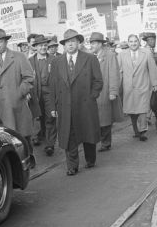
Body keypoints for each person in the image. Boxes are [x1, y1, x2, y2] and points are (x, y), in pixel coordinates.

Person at [45, 29, 103, 175]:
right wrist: (52, 106)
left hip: (85, 105)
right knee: (69, 135)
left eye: (72, 41)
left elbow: (98, 81)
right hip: (65, 107)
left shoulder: (90, 59)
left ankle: (90, 159)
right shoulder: (57, 62)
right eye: (67, 42)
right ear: (63, 46)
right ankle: (72, 166)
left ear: (78, 43)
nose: (70, 45)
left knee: (87, 134)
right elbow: (52, 86)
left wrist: (92, 96)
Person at [0, 29, 36, 163]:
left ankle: (28, 157)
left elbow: (29, 78)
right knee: (4, 139)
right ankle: (13, 163)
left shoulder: (19, 57)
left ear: (6, 42)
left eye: (0, 41)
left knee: (22, 136)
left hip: (16, 105)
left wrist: (19, 93)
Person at [119, 34, 157, 141]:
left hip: (143, 85)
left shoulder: (146, 53)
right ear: (128, 43)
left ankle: (143, 131)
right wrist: (117, 86)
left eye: (135, 41)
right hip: (129, 87)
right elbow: (119, 71)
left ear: (139, 42)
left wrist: (154, 83)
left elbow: (152, 68)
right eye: (131, 41)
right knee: (131, 111)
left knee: (142, 110)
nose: (133, 43)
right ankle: (136, 130)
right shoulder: (122, 55)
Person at [90, 32, 124, 152]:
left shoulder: (109, 55)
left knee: (105, 118)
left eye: (93, 43)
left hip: (105, 91)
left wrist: (113, 91)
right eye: (91, 43)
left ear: (100, 44)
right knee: (95, 118)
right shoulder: (90, 56)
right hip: (93, 93)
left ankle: (106, 142)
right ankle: (99, 140)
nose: (91, 45)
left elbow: (114, 74)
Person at [28, 35, 58, 156]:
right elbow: (26, 78)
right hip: (35, 93)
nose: (43, 48)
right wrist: (28, 93)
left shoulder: (54, 60)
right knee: (37, 117)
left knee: (51, 117)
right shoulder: (30, 61)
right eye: (40, 45)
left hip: (50, 93)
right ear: (35, 47)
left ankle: (50, 145)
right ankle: (39, 136)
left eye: (45, 45)